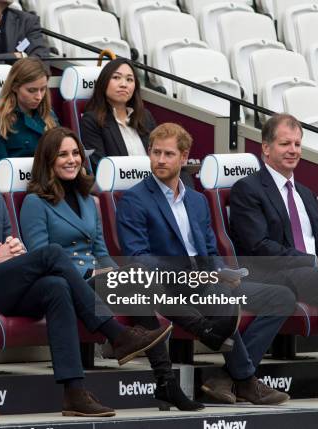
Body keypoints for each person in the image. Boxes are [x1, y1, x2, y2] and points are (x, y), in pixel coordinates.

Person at [0, 123, 173, 417]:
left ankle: (74, 392)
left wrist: (12, 253)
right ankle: (116, 334)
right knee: (51, 253)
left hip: (4, 283)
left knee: (56, 286)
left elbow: (10, 247)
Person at [19, 126, 204, 411]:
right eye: (62, 155)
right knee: (137, 282)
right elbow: (41, 259)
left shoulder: (88, 199)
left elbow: (101, 252)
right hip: (65, 286)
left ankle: (166, 381)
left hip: (97, 281)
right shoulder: (34, 202)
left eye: (75, 153)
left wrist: (110, 272)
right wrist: (94, 275)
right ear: (48, 160)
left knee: (135, 282)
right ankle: (180, 359)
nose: (71, 160)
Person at [116, 122, 296, 405]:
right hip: (171, 285)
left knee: (282, 296)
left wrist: (221, 272)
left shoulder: (198, 201)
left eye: (169, 154)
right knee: (223, 299)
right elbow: (137, 258)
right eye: (156, 153)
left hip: (206, 280)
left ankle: (228, 375)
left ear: (185, 157)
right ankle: (247, 381)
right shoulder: (134, 199)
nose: (160, 160)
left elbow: (209, 249)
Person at [229, 113, 318, 342]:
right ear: (266, 147)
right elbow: (260, 247)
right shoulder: (247, 189)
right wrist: (314, 261)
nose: (293, 150)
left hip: (315, 274)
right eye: (285, 144)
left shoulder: (307, 194)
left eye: (297, 144)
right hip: (273, 275)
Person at [80, 58, 157, 172]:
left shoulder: (145, 116)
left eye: (129, 79)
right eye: (116, 77)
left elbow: (160, 154)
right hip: (121, 186)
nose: (123, 84)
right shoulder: (92, 120)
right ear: (104, 82)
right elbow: (100, 167)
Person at [0, 57, 58, 172]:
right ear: (14, 87)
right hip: (19, 183)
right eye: (31, 90)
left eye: (43, 89)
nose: (39, 96)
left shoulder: (49, 114)